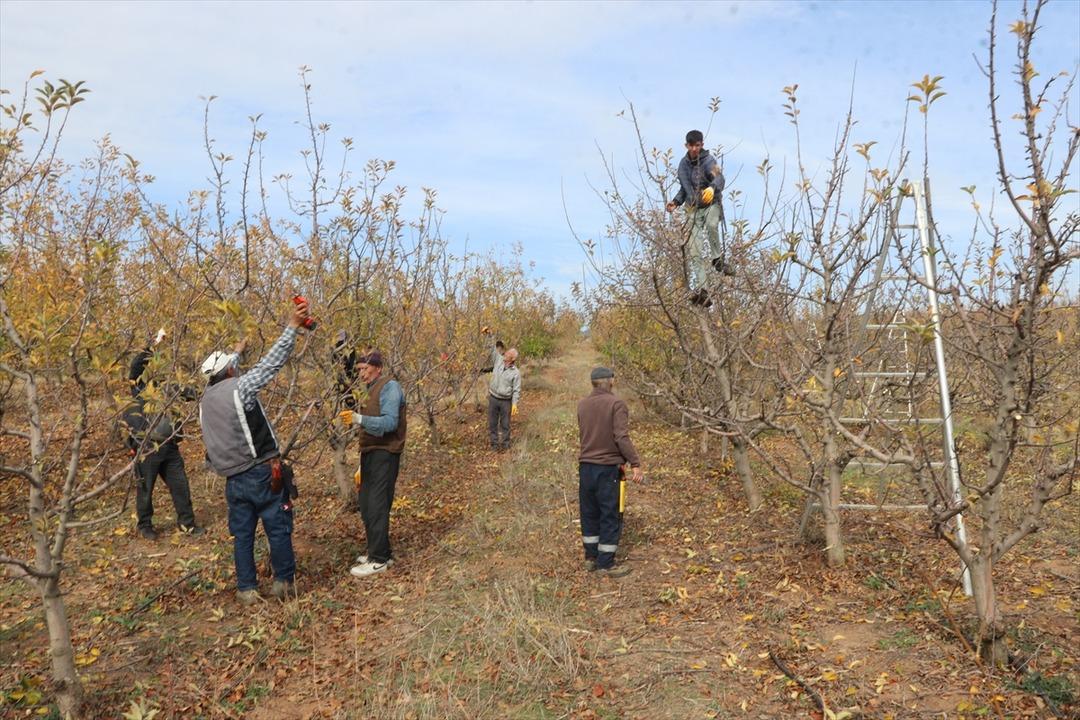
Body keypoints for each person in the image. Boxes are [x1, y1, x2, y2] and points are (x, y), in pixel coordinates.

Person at [198, 298, 309, 605]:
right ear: (231, 371)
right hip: (261, 472)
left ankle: (246, 588)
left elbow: (227, 369)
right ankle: (284, 584)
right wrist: (291, 327)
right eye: (235, 364)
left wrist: (237, 349)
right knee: (278, 528)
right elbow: (270, 364)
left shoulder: (205, 400)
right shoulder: (241, 388)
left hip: (233, 480)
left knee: (243, 535)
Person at [124, 327, 204, 540]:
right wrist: (155, 343)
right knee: (145, 489)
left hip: (169, 447)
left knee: (181, 486)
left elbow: (193, 392)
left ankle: (187, 523)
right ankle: (145, 526)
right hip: (147, 446)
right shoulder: (140, 388)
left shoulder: (169, 387)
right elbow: (135, 366)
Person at [338, 350, 407, 578]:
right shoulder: (368, 390)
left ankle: (378, 560)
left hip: (385, 454)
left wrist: (359, 419)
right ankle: (379, 551)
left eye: (365, 369)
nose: (362, 374)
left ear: (378, 367)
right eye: (359, 370)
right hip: (370, 453)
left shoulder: (390, 387)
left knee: (377, 505)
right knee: (367, 504)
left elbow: (389, 422)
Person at [577, 367, 642, 578]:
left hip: (586, 467)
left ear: (593, 383)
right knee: (609, 514)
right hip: (607, 469)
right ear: (611, 381)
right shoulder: (616, 404)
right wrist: (635, 463)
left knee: (589, 512)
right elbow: (621, 437)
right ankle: (606, 563)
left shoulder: (582, 405)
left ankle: (591, 558)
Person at [665, 129, 729, 306]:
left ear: (702, 144)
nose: (694, 148)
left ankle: (717, 259)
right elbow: (684, 188)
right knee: (694, 249)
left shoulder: (709, 161)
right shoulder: (683, 166)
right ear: (686, 145)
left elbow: (720, 177)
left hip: (711, 204)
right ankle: (703, 291)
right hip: (692, 208)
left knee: (711, 225)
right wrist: (676, 202)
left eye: (697, 145)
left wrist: (712, 187)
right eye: (691, 145)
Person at [481, 326, 521, 451]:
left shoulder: (516, 373)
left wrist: (514, 404)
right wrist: (489, 335)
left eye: (509, 354)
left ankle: (505, 445)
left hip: (505, 401)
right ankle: (494, 445)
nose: (506, 353)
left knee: (505, 424)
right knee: (492, 424)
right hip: (493, 398)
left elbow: (516, 390)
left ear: (512, 359)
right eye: (507, 352)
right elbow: (492, 348)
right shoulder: (498, 360)